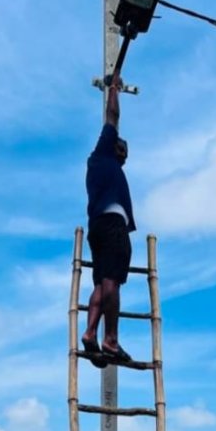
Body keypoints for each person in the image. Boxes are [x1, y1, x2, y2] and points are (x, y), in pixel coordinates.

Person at [81, 72, 136, 367]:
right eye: (123, 148)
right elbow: (112, 116)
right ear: (114, 146)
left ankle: (90, 332)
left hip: (99, 227)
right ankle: (110, 339)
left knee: (102, 285)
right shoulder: (103, 153)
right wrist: (114, 88)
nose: (126, 154)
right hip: (111, 226)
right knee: (112, 282)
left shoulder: (103, 166)